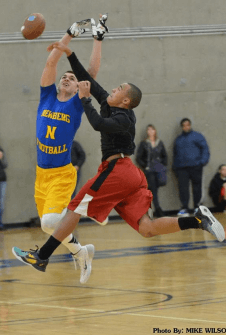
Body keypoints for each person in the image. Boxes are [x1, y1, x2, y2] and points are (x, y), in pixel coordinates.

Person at [12, 42, 225, 285]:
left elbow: (98, 124)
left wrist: (83, 100)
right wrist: (71, 53)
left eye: (119, 89)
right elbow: (87, 78)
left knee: (75, 208)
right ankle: (197, 220)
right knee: (147, 228)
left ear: (126, 101)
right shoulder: (108, 103)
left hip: (118, 170)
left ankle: (41, 256)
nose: (113, 89)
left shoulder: (124, 118)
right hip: (129, 176)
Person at [31, 15, 109, 273]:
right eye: (64, 77)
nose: (66, 78)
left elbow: (91, 73)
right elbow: (50, 61)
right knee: (46, 225)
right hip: (41, 173)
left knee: (53, 219)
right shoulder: (47, 97)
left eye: (71, 78)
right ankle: (80, 251)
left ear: (78, 88)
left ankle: (92, 208)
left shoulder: (75, 103)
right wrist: (69, 33)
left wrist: (97, 41)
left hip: (61, 174)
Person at [172, 118, 210, 217]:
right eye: (184, 125)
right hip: (181, 168)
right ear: (182, 127)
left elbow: (205, 149)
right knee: (183, 189)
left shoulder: (197, 136)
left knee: (197, 187)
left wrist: (202, 162)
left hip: (195, 166)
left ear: (190, 125)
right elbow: (175, 154)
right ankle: (184, 208)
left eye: (188, 125)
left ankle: (197, 207)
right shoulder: (178, 139)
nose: (186, 127)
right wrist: (175, 167)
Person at [136, 124, 167, 217]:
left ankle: (153, 209)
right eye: (148, 130)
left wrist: (162, 164)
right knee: (153, 190)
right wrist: (145, 166)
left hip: (159, 169)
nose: (150, 131)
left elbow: (164, 155)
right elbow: (139, 157)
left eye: (152, 129)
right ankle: (157, 209)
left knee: (155, 189)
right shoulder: (144, 143)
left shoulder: (159, 142)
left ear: (155, 131)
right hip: (149, 171)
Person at [0, 147, 7, 230]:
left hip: (2, 180)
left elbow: (5, 165)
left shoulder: (1, 150)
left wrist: (1, 159)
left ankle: (0, 223)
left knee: (1, 204)